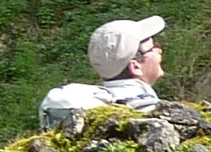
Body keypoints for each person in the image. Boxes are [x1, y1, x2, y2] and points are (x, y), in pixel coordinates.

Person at [39, 16, 168, 129]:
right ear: (135, 67)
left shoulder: (89, 103)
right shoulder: (151, 114)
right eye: (153, 47)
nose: (159, 50)